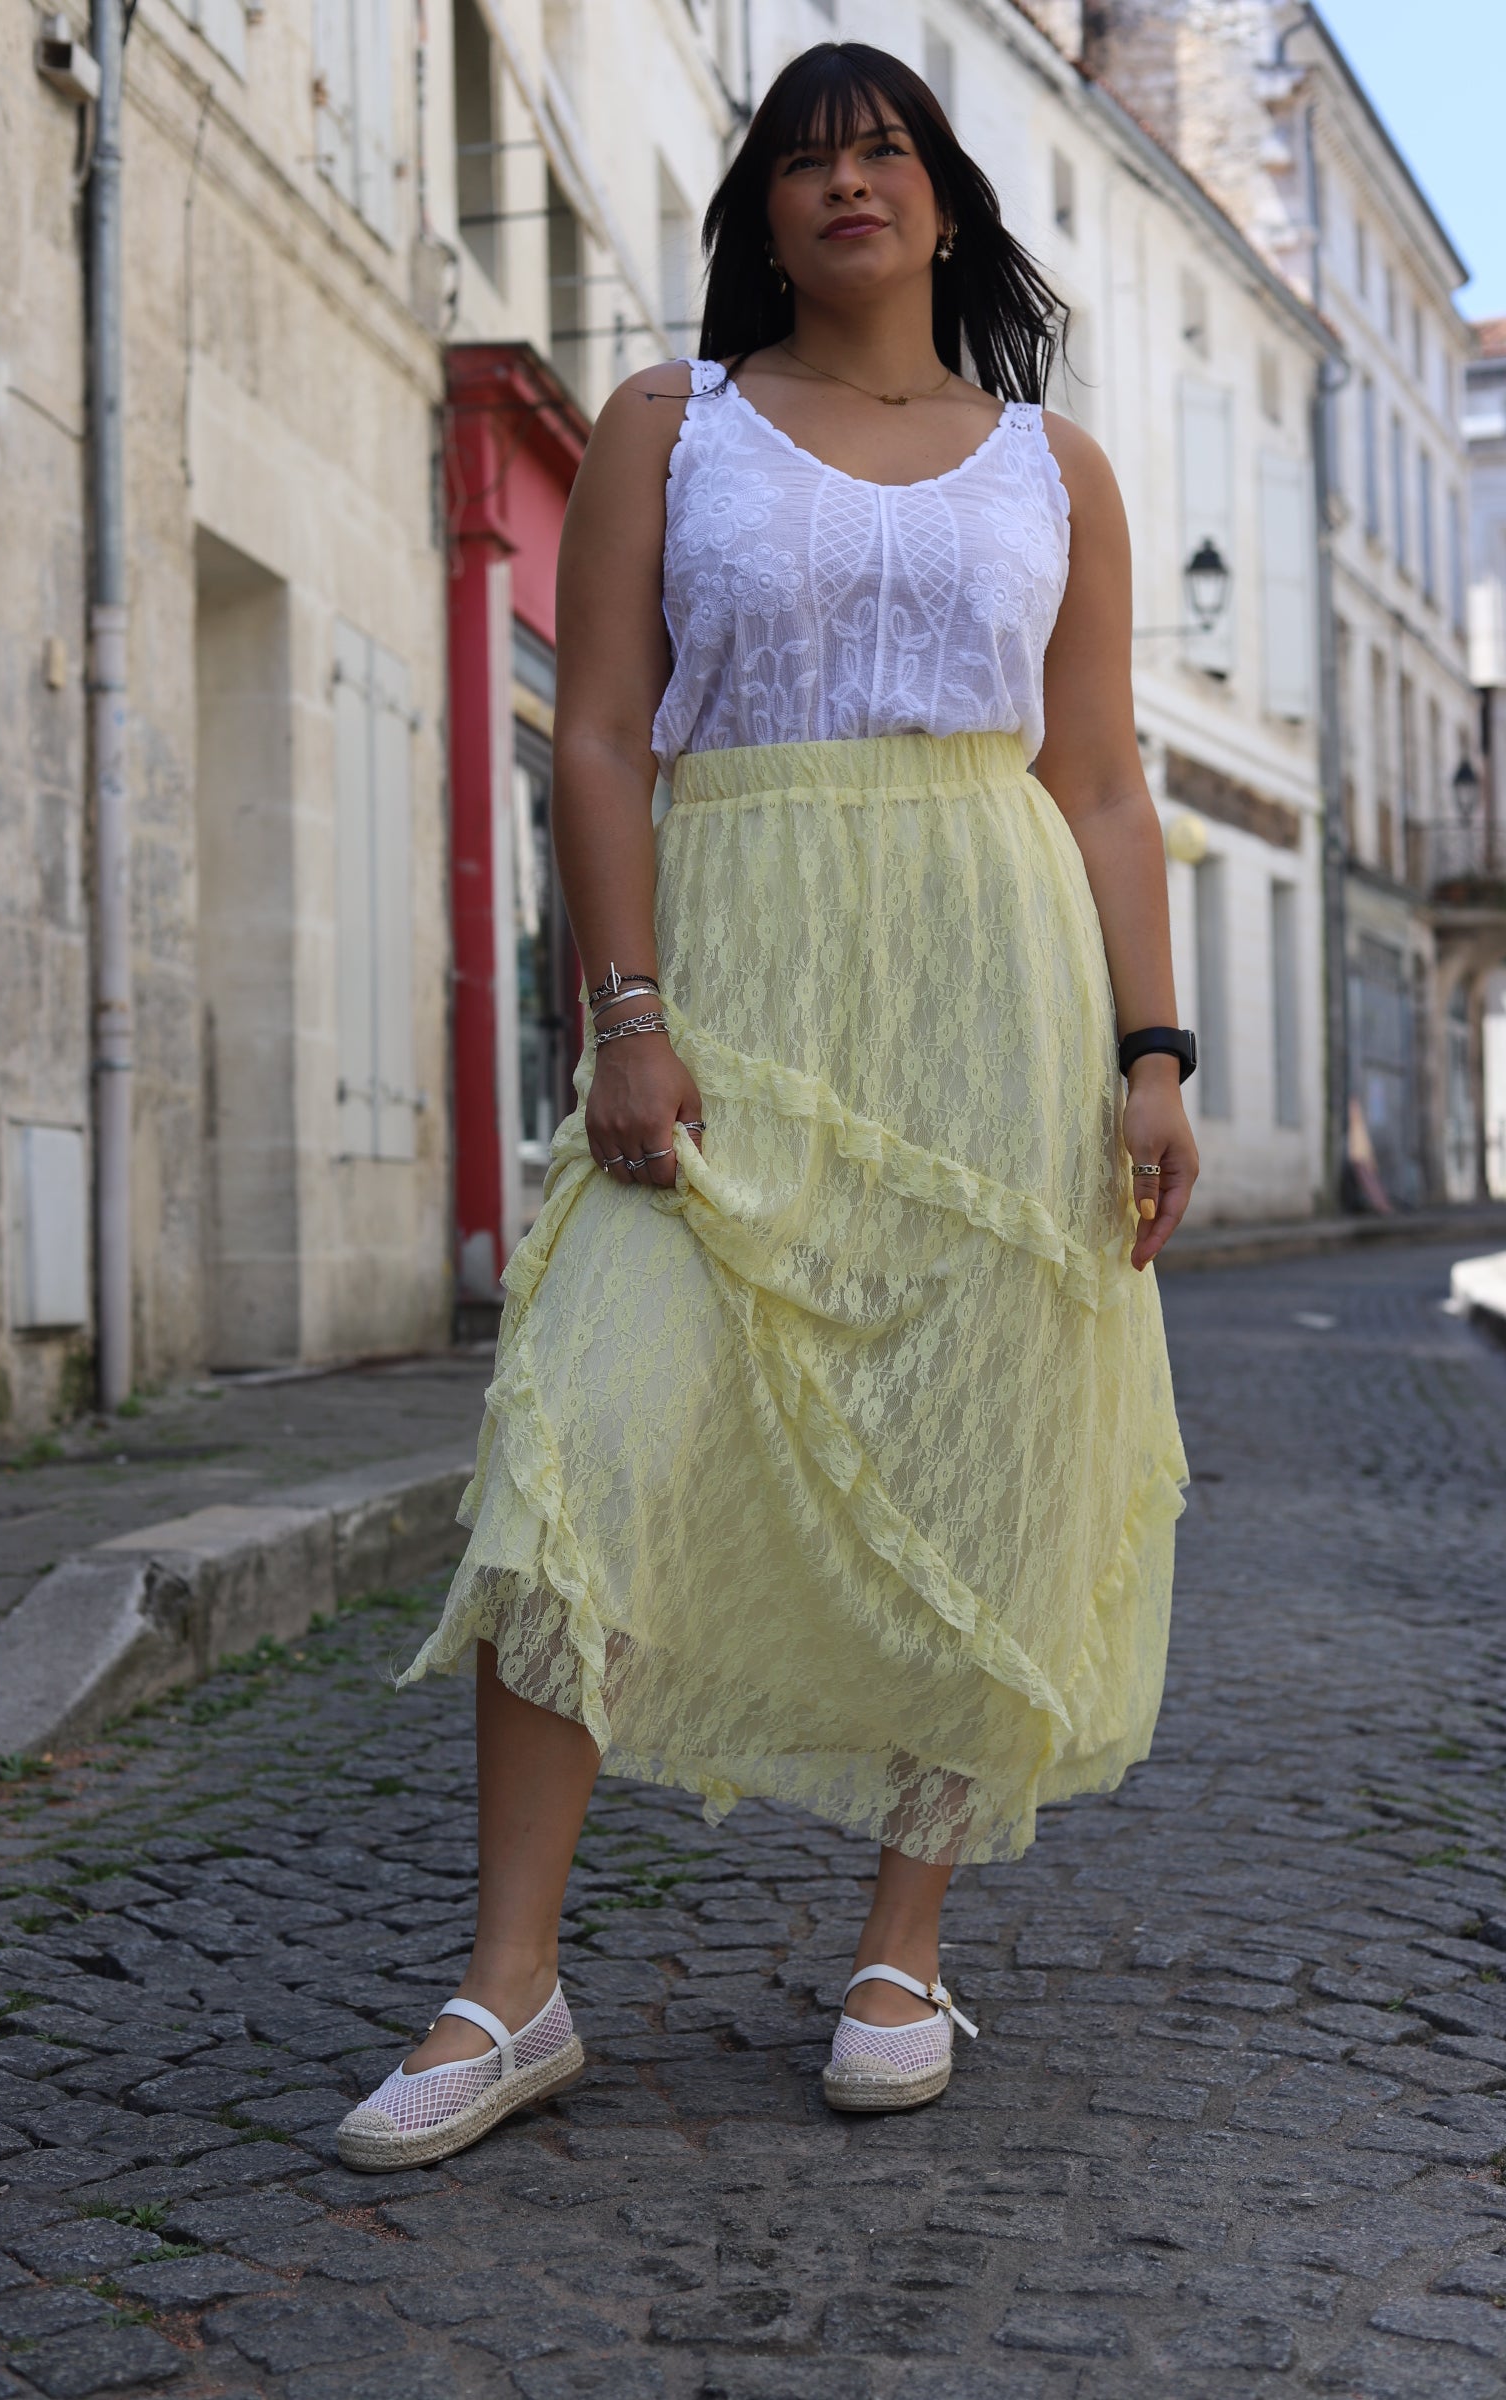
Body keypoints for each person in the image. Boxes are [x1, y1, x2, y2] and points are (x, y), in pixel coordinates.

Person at [337, 39, 1194, 2171]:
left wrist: (1150, 1056)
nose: (847, 183)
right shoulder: (672, 422)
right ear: (761, 217)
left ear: (943, 199)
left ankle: (903, 1947)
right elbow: (598, 735)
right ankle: (508, 1986)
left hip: (989, 1003)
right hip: (731, 991)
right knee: (581, 1435)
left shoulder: (1056, 469)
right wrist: (624, 1011)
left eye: (884, 150)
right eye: (804, 160)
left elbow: (1098, 780)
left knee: (977, 1460)